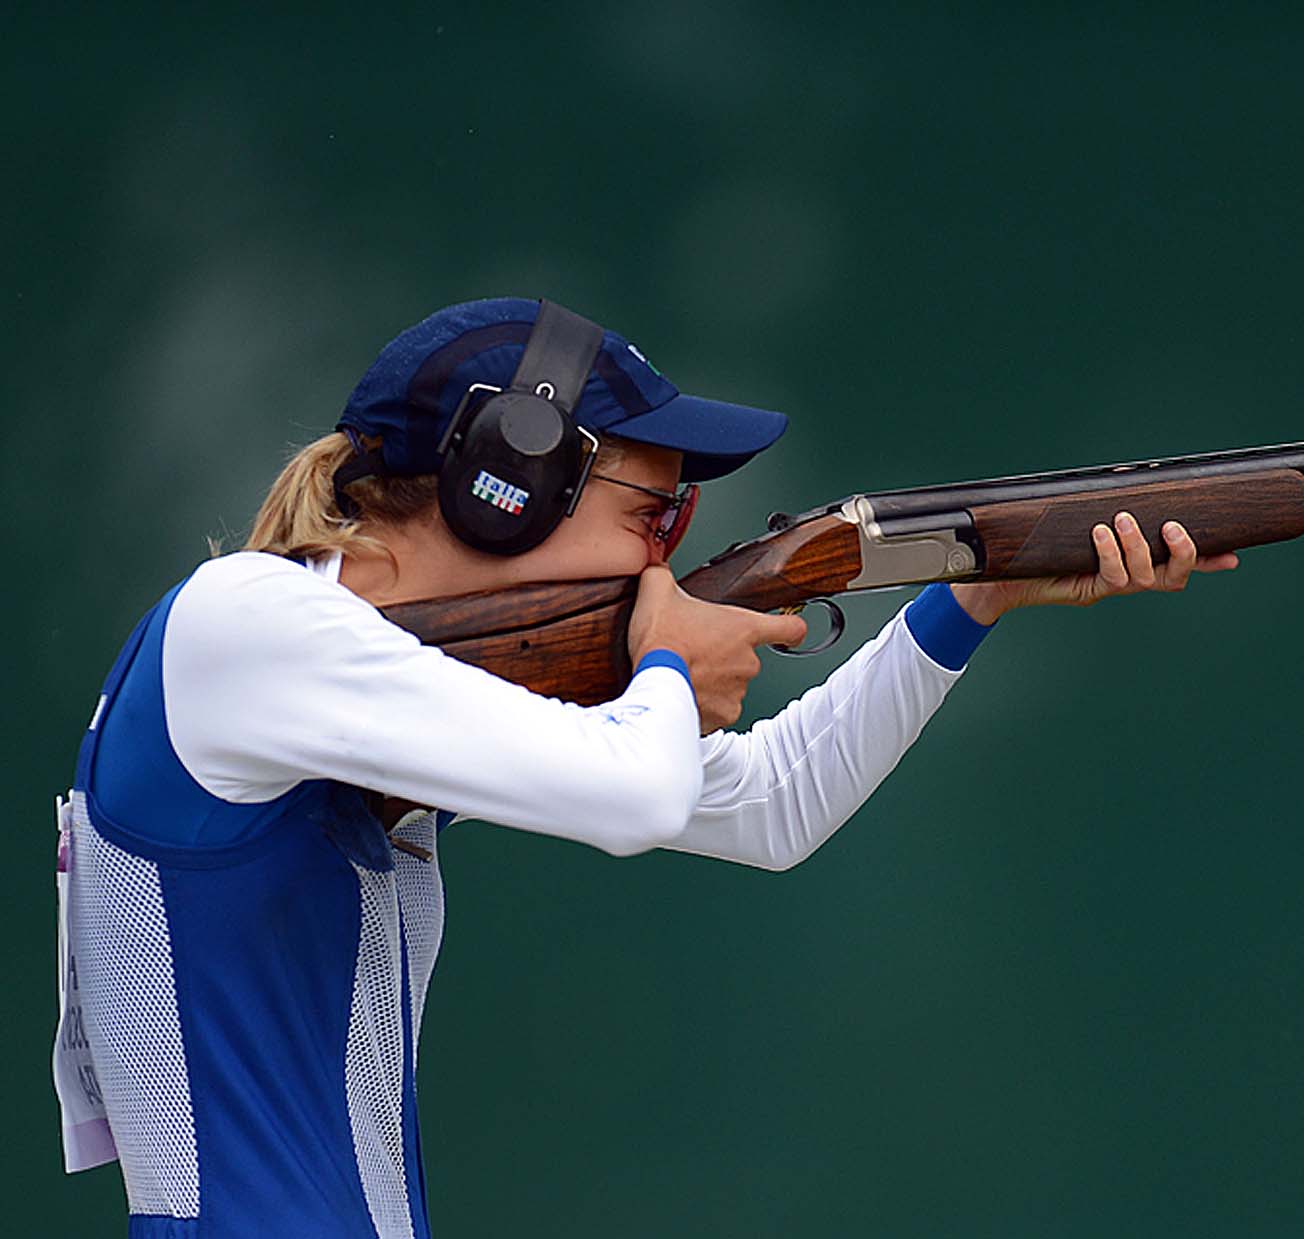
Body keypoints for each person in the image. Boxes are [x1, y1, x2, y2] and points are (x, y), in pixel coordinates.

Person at [53, 298, 1239, 1238]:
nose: (667, 559)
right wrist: (668, 666)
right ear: (504, 488)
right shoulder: (244, 620)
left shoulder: (332, 681)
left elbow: (775, 808)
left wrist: (969, 599)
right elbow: (640, 793)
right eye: (654, 519)